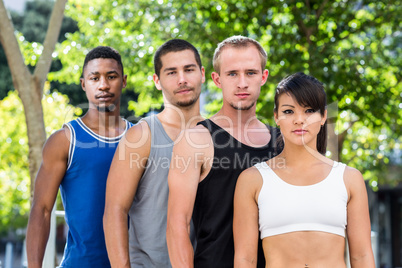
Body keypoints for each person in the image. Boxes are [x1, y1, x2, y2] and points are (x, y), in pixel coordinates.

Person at [233, 72, 375, 268]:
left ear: (324, 116)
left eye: (309, 111)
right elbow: (245, 259)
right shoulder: (253, 180)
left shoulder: (349, 178)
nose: (299, 120)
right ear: (276, 117)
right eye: (289, 111)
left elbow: (362, 256)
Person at [166, 35, 281, 268]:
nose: (242, 83)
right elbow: (177, 226)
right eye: (232, 74)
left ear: (264, 76)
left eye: (250, 73)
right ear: (217, 79)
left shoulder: (282, 142)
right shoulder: (196, 139)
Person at [26, 46, 132, 268]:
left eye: (111, 77)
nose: (103, 85)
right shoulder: (65, 140)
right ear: (84, 84)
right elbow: (42, 210)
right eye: (95, 78)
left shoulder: (139, 138)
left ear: (123, 81)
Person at [103, 39, 205, 267]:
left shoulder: (216, 136)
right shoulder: (141, 137)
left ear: (202, 74)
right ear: (157, 81)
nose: (182, 79)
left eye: (189, 69)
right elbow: (114, 211)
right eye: (171, 72)